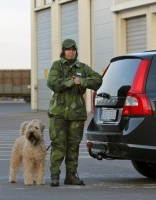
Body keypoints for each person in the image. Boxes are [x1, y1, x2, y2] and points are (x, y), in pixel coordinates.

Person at [47, 39, 103, 187]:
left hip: (76, 114)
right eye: (68, 49)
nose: (70, 52)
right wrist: (70, 82)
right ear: (63, 51)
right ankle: (55, 175)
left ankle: (71, 176)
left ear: (76, 51)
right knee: (58, 145)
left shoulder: (82, 68)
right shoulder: (57, 66)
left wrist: (82, 81)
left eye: (73, 49)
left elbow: (98, 80)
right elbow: (52, 83)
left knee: (73, 146)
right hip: (58, 113)